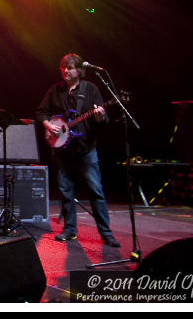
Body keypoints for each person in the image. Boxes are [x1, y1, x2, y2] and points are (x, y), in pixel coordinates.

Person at [36, 53, 121, 247]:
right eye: (64, 67)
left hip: (86, 148)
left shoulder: (91, 90)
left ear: (79, 71)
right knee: (66, 191)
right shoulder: (55, 91)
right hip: (62, 149)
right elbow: (41, 112)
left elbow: (101, 121)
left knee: (95, 190)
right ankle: (70, 230)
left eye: (70, 67)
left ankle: (106, 233)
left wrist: (99, 116)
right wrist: (50, 126)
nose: (66, 71)